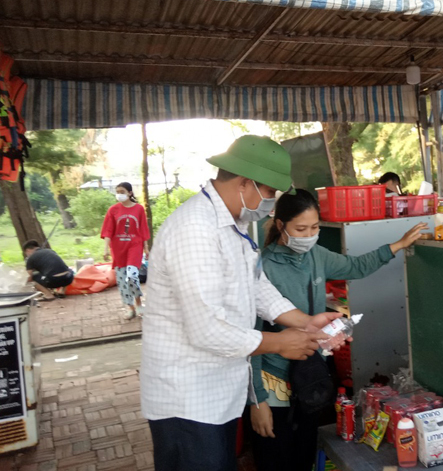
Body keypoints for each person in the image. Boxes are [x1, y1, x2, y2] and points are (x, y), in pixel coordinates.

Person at [140, 135, 340, 471]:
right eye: (270, 192)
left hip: (217, 391)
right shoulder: (196, 230)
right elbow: (207, 329)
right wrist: (279, 343)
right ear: (245, 183)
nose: (272, 202)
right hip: (188, 399)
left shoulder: (237, 224)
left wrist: (303, 322)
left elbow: (256, 286)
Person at [249, 189, 426, 471]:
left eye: (315, 227)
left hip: (311, 377)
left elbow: (355, 266)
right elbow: (252, 338)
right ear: (281, 225)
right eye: (301, 229)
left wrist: (398, 245)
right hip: (274, 382)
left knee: (306, 450)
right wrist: (257, 401)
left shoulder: (317, 255)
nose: (308, 235)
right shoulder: (262, 266)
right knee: (276, 456)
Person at [100, 182, 151, 320]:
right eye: (117, 192)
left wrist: (146, 249)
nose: (119, 194)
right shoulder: (113, 210)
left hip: (134, 246)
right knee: (122, 280)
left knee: (132, 276)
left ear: (129, 193)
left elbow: (143, 230)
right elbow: (108, 231)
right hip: (118, 249)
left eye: (122, 191)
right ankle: (130, 307)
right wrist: (106, 249)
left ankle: (140, 303)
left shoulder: (139, 209)